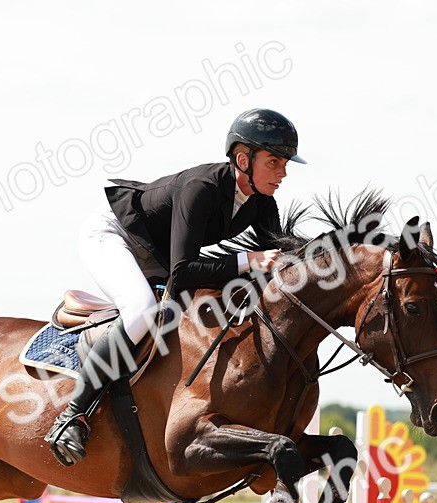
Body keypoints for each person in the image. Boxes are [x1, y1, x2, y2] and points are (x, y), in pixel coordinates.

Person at [45, 107, 306, 466]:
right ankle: (72, 416)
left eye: (286, 164)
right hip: (115, 236)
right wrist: (248, 260)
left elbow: (288, 253)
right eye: (274, 161)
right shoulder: (202, 188)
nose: (283, 173)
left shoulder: (262, 203)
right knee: (142, 310)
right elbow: (182, 272)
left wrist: (347, 250)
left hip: (158, 253)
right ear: (243, 159)